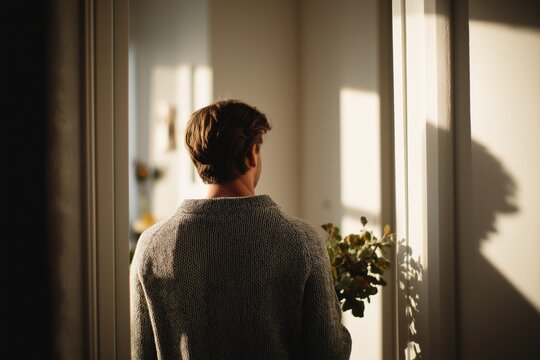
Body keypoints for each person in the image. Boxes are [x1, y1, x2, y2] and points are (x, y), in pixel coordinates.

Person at [130, 99, 352, 359]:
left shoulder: (151, 245)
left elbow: (141, 353)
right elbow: (329, 352)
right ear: (251, 154)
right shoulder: (301, 240)